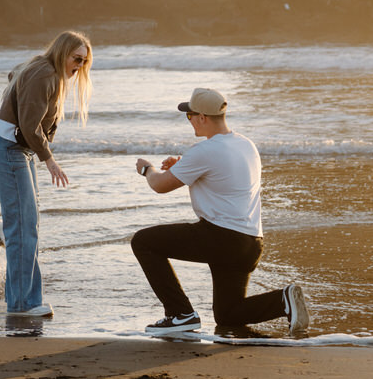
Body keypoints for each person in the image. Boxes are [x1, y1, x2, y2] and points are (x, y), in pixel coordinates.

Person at [131, 87, 310, 336]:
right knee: (229, 314)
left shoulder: (206, 150)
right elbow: (223, 178)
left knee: (144, 241)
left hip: (222, 237)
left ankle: (180, 314)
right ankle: (283, 300)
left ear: (202, 117)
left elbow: (160, 185)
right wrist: (183, 167)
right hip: (250, 242)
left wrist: (147, 169)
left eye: (189, 116)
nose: (190, 121)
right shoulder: (246, 145)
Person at [0, 30, 93, 318]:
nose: (80, 66)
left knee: (26, 227)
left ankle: (23, 299)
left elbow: (13, 77)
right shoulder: (45, 73)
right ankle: (21, 305)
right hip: (9, 151)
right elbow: (30, 126)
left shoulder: (42, 70)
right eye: (77, 58)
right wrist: (50, 161)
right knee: (22, 229)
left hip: (12, 151)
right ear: (62, 52)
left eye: (84, 61)